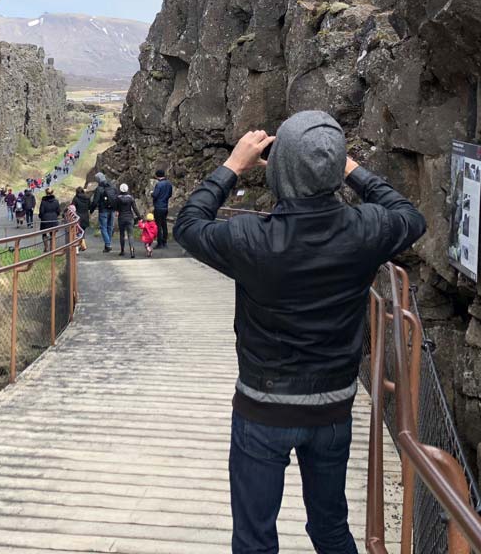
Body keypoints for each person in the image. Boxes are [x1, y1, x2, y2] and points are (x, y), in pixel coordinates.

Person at [173, 111, 426, 554]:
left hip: (262, 410)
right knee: (330, 528)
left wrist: (233, 166)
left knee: (255, 539)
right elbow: (409, 215)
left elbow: (189, 224)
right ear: (336, 168)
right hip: (332, 408)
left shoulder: (251, 236)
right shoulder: (366, 229)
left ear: (282, 169)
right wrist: (347, 168)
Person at [89, 172, 118, 252]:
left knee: (103, 228)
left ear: (98, 179)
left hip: (103, 210)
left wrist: (91, 211)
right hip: (112, 210)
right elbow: (116, 197)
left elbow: (95, 202)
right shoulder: (112, 186)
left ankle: (108, 244)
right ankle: (107, 245)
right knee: (110, 227)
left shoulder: (99, 188)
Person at [116, 184, 141, 258]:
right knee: (130, 235)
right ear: (127, 189)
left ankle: (122, 250)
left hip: (121, 217)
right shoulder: (131, 198)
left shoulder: (118, 198)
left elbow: (116, 208)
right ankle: (132, 251)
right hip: (130, 217)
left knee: (122, 234)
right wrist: (139, 216)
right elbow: (135, 208)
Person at [152, 168, 173, 248]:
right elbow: (170, 194)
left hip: (158, 206)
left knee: (158, 225)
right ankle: (165, 241)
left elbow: (155, 195)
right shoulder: (169, 184)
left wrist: (152, 193)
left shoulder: (159, 184)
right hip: (165, 206)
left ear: (157, 176)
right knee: (164, 224)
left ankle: (159, 243)